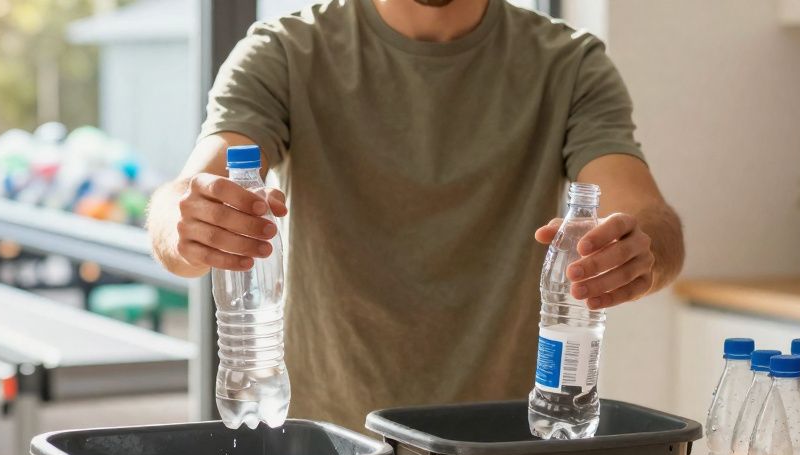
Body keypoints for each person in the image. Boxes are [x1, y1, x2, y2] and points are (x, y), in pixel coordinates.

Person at [148, 0, 683, 432]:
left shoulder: (569, 65)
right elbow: (191, 192)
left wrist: (638, 252)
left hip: (496, 448)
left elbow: (644, 213)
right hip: (332, 445)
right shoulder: (285, 52)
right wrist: (186, 222)